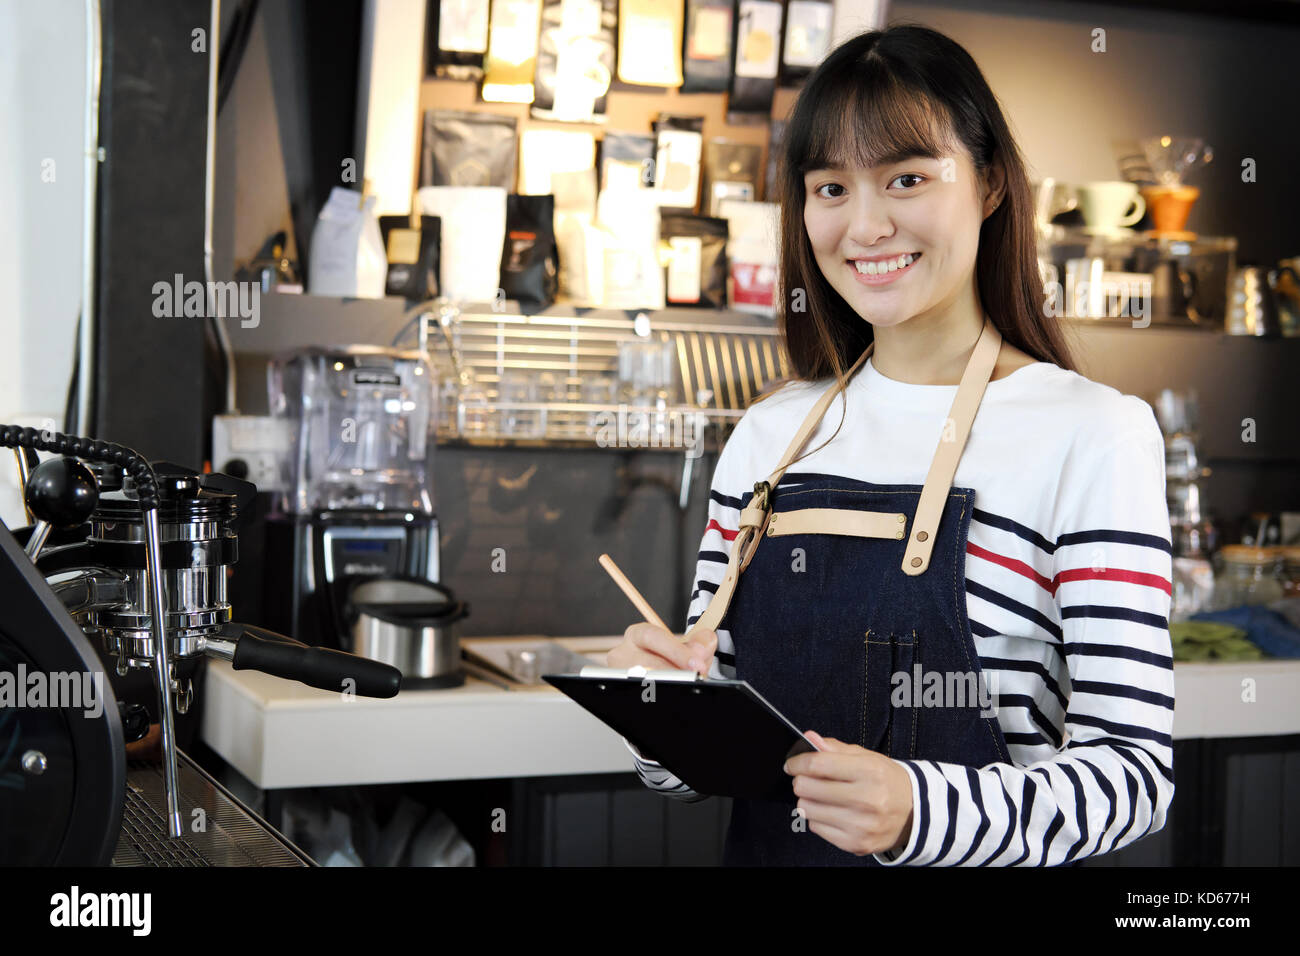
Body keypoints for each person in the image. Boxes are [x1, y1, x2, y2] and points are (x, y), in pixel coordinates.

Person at [607, 24, 1174, 866]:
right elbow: (702, 765)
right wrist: (657, 704)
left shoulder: (1095, 433)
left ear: (988, 186)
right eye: (830, 188)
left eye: (905, 179)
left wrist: (922, 810)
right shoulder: (768, 436)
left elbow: (1134, 776)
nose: (865, 226)